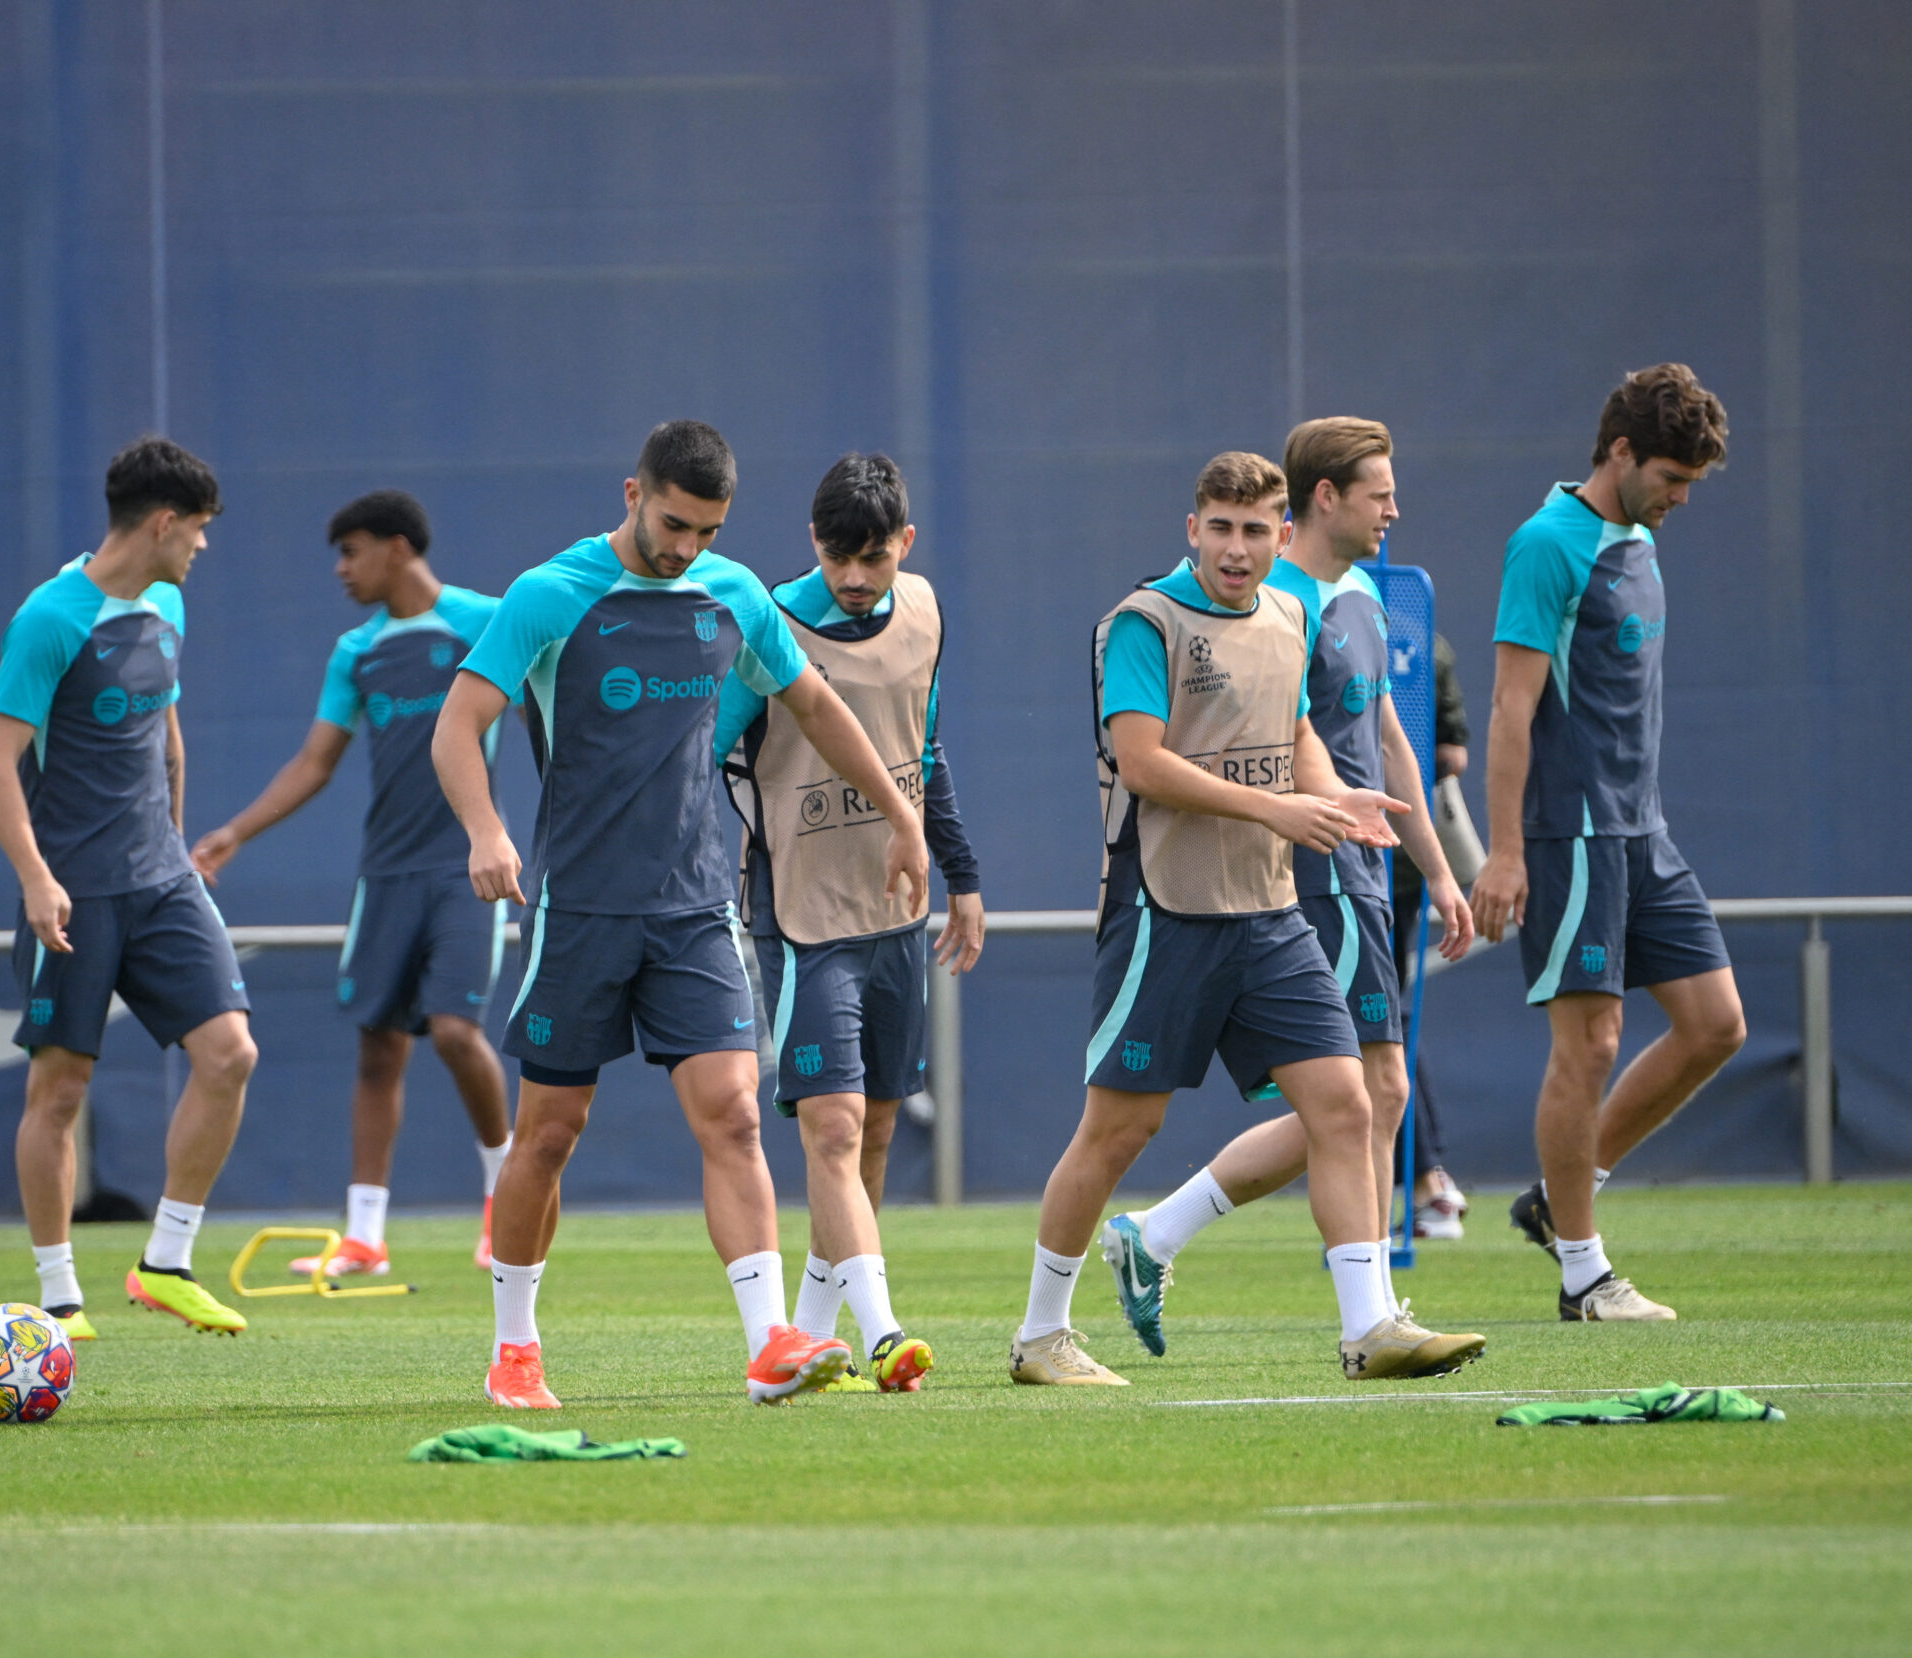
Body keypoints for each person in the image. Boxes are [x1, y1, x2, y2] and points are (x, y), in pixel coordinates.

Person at [432, 421, 930, 1409]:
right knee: (549, 1133)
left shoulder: (733, 595)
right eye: (673, 524)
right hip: (578, 909)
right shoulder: (549, 597)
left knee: (737, 1116)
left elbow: (818, 707)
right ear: (632, 492)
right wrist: (485, 831)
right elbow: (458, 724)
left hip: (698, 909)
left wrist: (902, 815)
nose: (687, 548)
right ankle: (515, 1350)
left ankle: (768, 1344)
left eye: (707, 531)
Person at [1010, 450, 1484, 1387]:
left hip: (1269, 912)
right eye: (1219, 527)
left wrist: (1337, 797)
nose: (1237, 548)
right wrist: (1280, 810)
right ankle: (1039, 1337)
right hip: (1166, 911)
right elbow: (1142, 762)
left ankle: (1370, 1326)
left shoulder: (1290, 612)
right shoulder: (1144, 622)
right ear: (1192, 529)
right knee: (1118, 1132)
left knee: (1350, 1103)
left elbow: (1297, 732)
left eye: (1254, 529)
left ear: (1281, 533)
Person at [1473, 364, 1747, 1322]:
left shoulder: (1637, 535)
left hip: (1644, 827)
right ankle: (1585, 1274)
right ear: (1620, 452)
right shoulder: (1548, 543)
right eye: (1671, 477)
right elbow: (1512, 707)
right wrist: (1503, 851)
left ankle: (1560, 1198)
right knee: (1589, 1043)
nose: (1679, 500)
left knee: (1716, 1024)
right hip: (1572, 832)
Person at [0, 435, 260, 1341]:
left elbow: (167, 735)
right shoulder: (50, 619)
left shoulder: (167, 602)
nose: (204, 548)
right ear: (165, 522)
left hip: (163, 879)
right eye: (201, 530)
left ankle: (165, 1263)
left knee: (231, 1054)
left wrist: (178, 848)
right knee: (59, 1092)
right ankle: (59, 1298)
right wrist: (35, 878)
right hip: (76, 890)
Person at [190, 490, 515, 1278]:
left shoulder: (488, 621)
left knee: (453, 1031)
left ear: (398, 547)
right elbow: (314, 762)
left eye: (352, 551)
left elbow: (544, 704)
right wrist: (234, 831)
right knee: (377, 1048)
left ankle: (508, 1201)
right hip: (386, 877)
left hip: (464, 871)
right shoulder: (356, 652)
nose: (341, 569)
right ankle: (364, 1236)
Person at [717, 454, 984, 1394]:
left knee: (870, 1135)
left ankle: (799, 1346)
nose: (856, 575)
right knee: (828, 1129)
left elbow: (925, 749)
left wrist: (964, 877)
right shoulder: (768, 626)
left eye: (874, 555)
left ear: (904, 545)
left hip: (895, 915)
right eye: (839, 556)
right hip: (800, 915)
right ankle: (884, 1333)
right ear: (814, 544)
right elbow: (700, 755)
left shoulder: (924, 613)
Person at [1401, 631, 1477, 1237]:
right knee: (1378, 1019)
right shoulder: (1291, 609)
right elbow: (1452, 752)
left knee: (1372, 1023)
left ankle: (1426, 1182)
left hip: (1374, 856)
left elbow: (1451, 754)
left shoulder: (1411, 630)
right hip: (1331, 851)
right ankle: (1427, 1182)